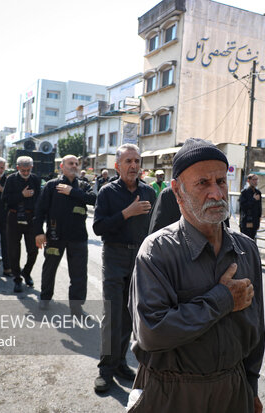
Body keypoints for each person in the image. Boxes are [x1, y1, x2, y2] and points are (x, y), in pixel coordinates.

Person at [128, 138, 264, 413]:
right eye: (203, 183)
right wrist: (223, 298)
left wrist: (250, 387)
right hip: (172, 395)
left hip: (232, 391)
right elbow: (152, 332)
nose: (216, 193)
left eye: (221, 182)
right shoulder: (157, 252)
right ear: (177, 192)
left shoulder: (246, 249)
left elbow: (255, 330)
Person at [92, 144, 156, 392]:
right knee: (112, 314)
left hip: (140, 257)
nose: (133, 165)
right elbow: (98, 227)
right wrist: (126, 214)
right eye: (128, 161)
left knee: (130, 314)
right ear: (117, 166)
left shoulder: (149, 192)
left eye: (137, 161)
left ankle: (120, 363)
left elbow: (155, 227)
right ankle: (105, 370)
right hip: (115, 255)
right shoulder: (108, 193)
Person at [34, 155, 96, 314]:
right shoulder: (51, 186)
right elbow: (40, 211)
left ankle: (76, 307)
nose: (74, 166)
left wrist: (72, 192)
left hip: (78, 237)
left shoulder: (83, 186)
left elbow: (94, 199)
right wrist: (39, 232)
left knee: (79, 273)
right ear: (62, 166)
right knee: (50, 268)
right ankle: (45, 298)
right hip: (55, 236)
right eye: (71, 163)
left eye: (76, 164)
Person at [2, 156, 41, 293]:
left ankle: (26, 272)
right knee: (13, 251)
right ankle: (17, 279)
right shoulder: (11, 179)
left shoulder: (35, 179)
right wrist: (21, 195)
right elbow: (5, 199)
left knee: (33, 250)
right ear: (17, 168)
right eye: (23, 170)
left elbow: (39, 199)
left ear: (32, 167)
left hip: (31, 218)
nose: (25, 172)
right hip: (14, 218)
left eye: (28, 170)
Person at [239, 173, 262, 240]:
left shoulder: (258, 192)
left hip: (255, 221)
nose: (255, 181)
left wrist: (259, 218)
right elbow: (243, 207)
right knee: (245, 241)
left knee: (252, 240)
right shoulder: (244, 192)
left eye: (256, 180)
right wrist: (253, 199)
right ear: (248, 181)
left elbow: (259, 207)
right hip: (246, 220)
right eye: (254, 179)